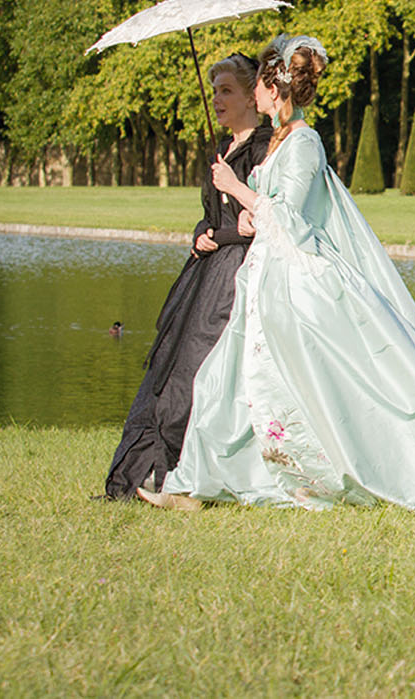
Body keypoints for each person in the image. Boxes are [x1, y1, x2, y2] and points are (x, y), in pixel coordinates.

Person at [141, 34, 415, 510]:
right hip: (265, 280)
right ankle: (195, 484)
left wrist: (239, 190)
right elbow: (274, 211)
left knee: (335, 386)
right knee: (224, 381)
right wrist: (246, 214)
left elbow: (291, 219)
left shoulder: (304, 142)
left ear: (274, 89)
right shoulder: (280, 141)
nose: (253, 93)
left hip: (298, 286)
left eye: (257, 84)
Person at [104, 54, 270, 499]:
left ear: (252, 96)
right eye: (214, 91)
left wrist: (223, 230)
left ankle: (183, 473)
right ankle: (142, 474)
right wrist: (201, 233)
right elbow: (211, 214)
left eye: (227, 90)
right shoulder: (222, 149)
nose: (217, 99)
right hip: (205, 270)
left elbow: (263, 219)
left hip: (237, 275)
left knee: (202, 367)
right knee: (170, 363)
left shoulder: (264, 148)